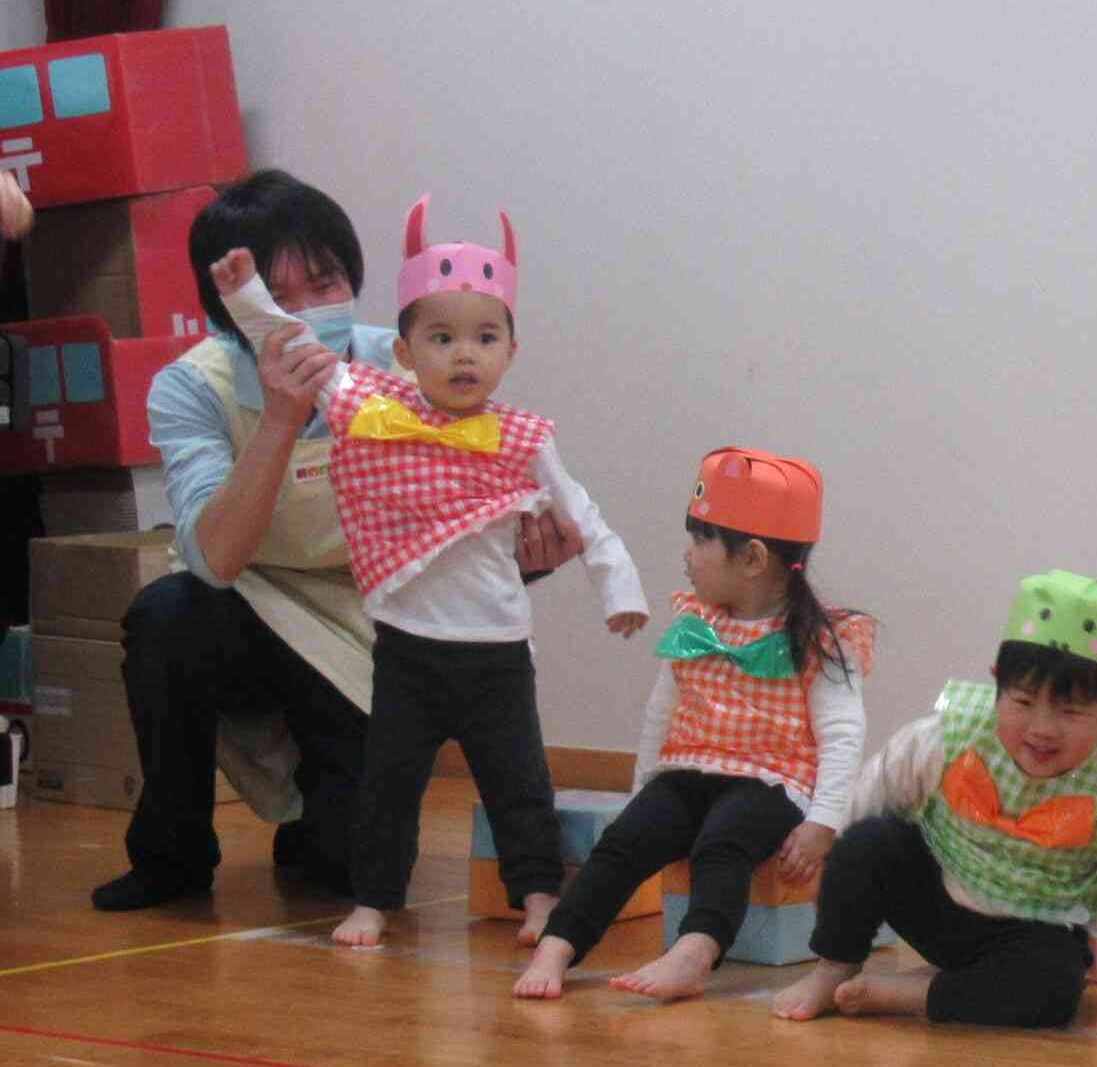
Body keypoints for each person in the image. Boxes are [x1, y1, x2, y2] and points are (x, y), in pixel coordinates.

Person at [90, 173, 581, 912]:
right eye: (275, 295)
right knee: (164, 616)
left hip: (371, 623)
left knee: (351, 865)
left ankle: (315, 820)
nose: (305, 312)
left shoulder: (409, 365)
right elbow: (215, 558)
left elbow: (469, 521)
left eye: (322, 283)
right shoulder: (192, 388)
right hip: (245, 605)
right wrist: (283, 419)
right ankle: (172, 852)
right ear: (231, 307)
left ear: (353, 277)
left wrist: (532, 557)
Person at [218, 197, 645, 947]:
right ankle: (373, 900)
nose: (464, 354)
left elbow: (582, 515)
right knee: (388, 789)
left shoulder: (520, 437)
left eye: (485, 336)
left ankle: (540, 894)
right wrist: (245, 296)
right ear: (405, 351)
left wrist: (620, 591)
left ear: (511, 349)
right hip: (408, 648)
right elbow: (294, 347)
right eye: (441, 337)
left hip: (498, 651)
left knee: (520, 785)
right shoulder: (372, 405)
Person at [517, 447, 872, 1003]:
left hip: (773, 782)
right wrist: (643, 793)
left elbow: (843, 734)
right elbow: (661, 712)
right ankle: (560, 942)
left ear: (752, 558)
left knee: (723, 841)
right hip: (689, 770)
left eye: (701, 539)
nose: (687, 555)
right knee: (622, 843)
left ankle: (695, 951)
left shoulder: (819, 640)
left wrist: (824, 820)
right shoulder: (695, 622)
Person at [771, 572, 1097, 1030]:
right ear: (997, 685)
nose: (1042, 728)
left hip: (1033, 932)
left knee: (1054, 988)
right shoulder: (952, 735)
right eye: (1023, 702)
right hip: (936, 903)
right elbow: (881, 785)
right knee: (870, 840)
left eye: (1071, 711)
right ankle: (835, 965)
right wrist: (838, 864)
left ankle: (920, 993)